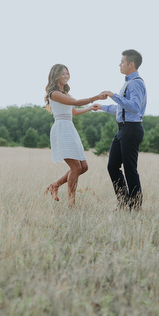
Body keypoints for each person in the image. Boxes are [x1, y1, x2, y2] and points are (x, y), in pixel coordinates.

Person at [44, 64, 106, 208]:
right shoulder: (54, 93)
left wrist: (90, 108)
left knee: (83, 167)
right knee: (76, 168)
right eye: (62, 74)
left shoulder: (64, 94)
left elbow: (75, 111)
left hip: (70, 129)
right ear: (55, 76)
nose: (66, 76)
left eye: (67, 73)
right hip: (61, 129)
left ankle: (54, 185)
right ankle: (71, 202)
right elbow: (77, 103)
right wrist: (96, 97)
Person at [93, 49, 147, 210]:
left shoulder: (136, 82)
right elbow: (121, 108)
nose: (119, 64)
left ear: (131, 64)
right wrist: (102, 107)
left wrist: (114, 95)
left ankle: (135, 206)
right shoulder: (128, 82)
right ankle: (123, 202)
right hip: (122, 129)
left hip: (131, 129)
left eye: (122, 62)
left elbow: (135, 107)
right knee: (112, 166)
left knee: (130, 169)